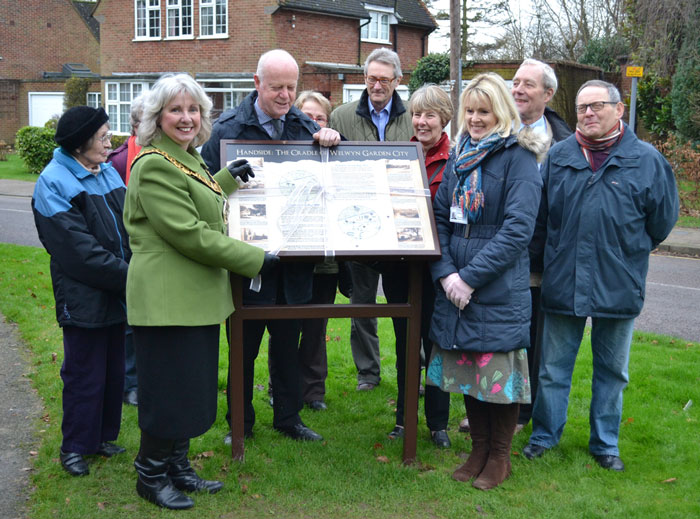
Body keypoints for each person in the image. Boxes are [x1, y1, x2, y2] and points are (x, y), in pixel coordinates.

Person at [124, 73, 276, 510]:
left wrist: (227, 179)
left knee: (189, 389)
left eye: (194, 109)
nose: (187, 118)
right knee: (168, 392)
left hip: (193, 299)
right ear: (157, 117)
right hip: (168, 299)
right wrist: (254, 258)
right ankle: (150, 475)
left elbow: (198, 200)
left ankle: (178, 467)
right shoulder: (153, 163)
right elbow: (187, 233)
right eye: (176, 110)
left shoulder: (184, 158)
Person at [522, 80, 679, 472]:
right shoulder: (558, 157)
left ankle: (605, 444)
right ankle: (544, 435)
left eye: (597, 106)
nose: (588, 114)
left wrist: (628, 250)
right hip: (564, 278)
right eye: (581, 108)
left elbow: (662, 220)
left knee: (612, 370)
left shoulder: (647, 160)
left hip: (618, 281)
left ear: (619, 110)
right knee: (553, 367)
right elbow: (540, 219)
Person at [201, 49, 341, 444]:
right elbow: (206, 191)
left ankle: (289, 418)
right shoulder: (225, 130)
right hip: (247, 261)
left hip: (295, 260)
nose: (284, 95)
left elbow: (339, 177)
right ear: (256, 82)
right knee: (243, 346)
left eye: (291, 87)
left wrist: (334, 139)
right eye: (276, 87)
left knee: (287, 343)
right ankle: (239, 424)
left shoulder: (303, 125)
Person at [426, 73, 546, 490]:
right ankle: (477, 450)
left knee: (498, 377)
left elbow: (517, 231)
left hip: (494, 288)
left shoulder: (519, 158)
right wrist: (445, 276)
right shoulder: (461, 156)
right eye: (471, 111)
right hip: (455, 284)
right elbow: (439, 218)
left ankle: (499, 457)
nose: (476, 119)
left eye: (484, 111)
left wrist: (470, 279)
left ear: (502, 112)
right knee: (468, 373)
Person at [31, 106, 130, 477]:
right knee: (84, 374)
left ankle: (101, 438)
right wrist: (131, 277)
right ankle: (74, 446)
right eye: (103, 137)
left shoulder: (105, 173)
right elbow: (78, 252)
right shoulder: (53, 182)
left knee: (113, 371)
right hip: (84, 295)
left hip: (118, 291)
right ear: (80, 143)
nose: (110, 142)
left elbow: (130, 227)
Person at [329, 47, 414, 438]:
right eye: (371, 78)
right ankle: (368, 372)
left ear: (398, 81)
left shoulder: (413, 113)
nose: (376, 85)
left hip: (401, 223)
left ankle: (411, 371)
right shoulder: (343, 115)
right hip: (359, 223)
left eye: (384, 79)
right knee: (361, 302)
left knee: (406, 307)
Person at [402, 84, 453, 448]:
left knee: (436, 346)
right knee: (406, 345)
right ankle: (404, 419)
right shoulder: (399, 154)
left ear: (444, 119)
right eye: (417, 114)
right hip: (402, 267)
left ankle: (438, 424)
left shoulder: (457, 159)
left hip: (438, 269)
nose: (421, 121)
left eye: (429, 115)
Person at [107, 94, 145, 408]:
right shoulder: (119, 162)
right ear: (135, 125)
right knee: (131, 321)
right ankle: (131, 384)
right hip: (128, 252)